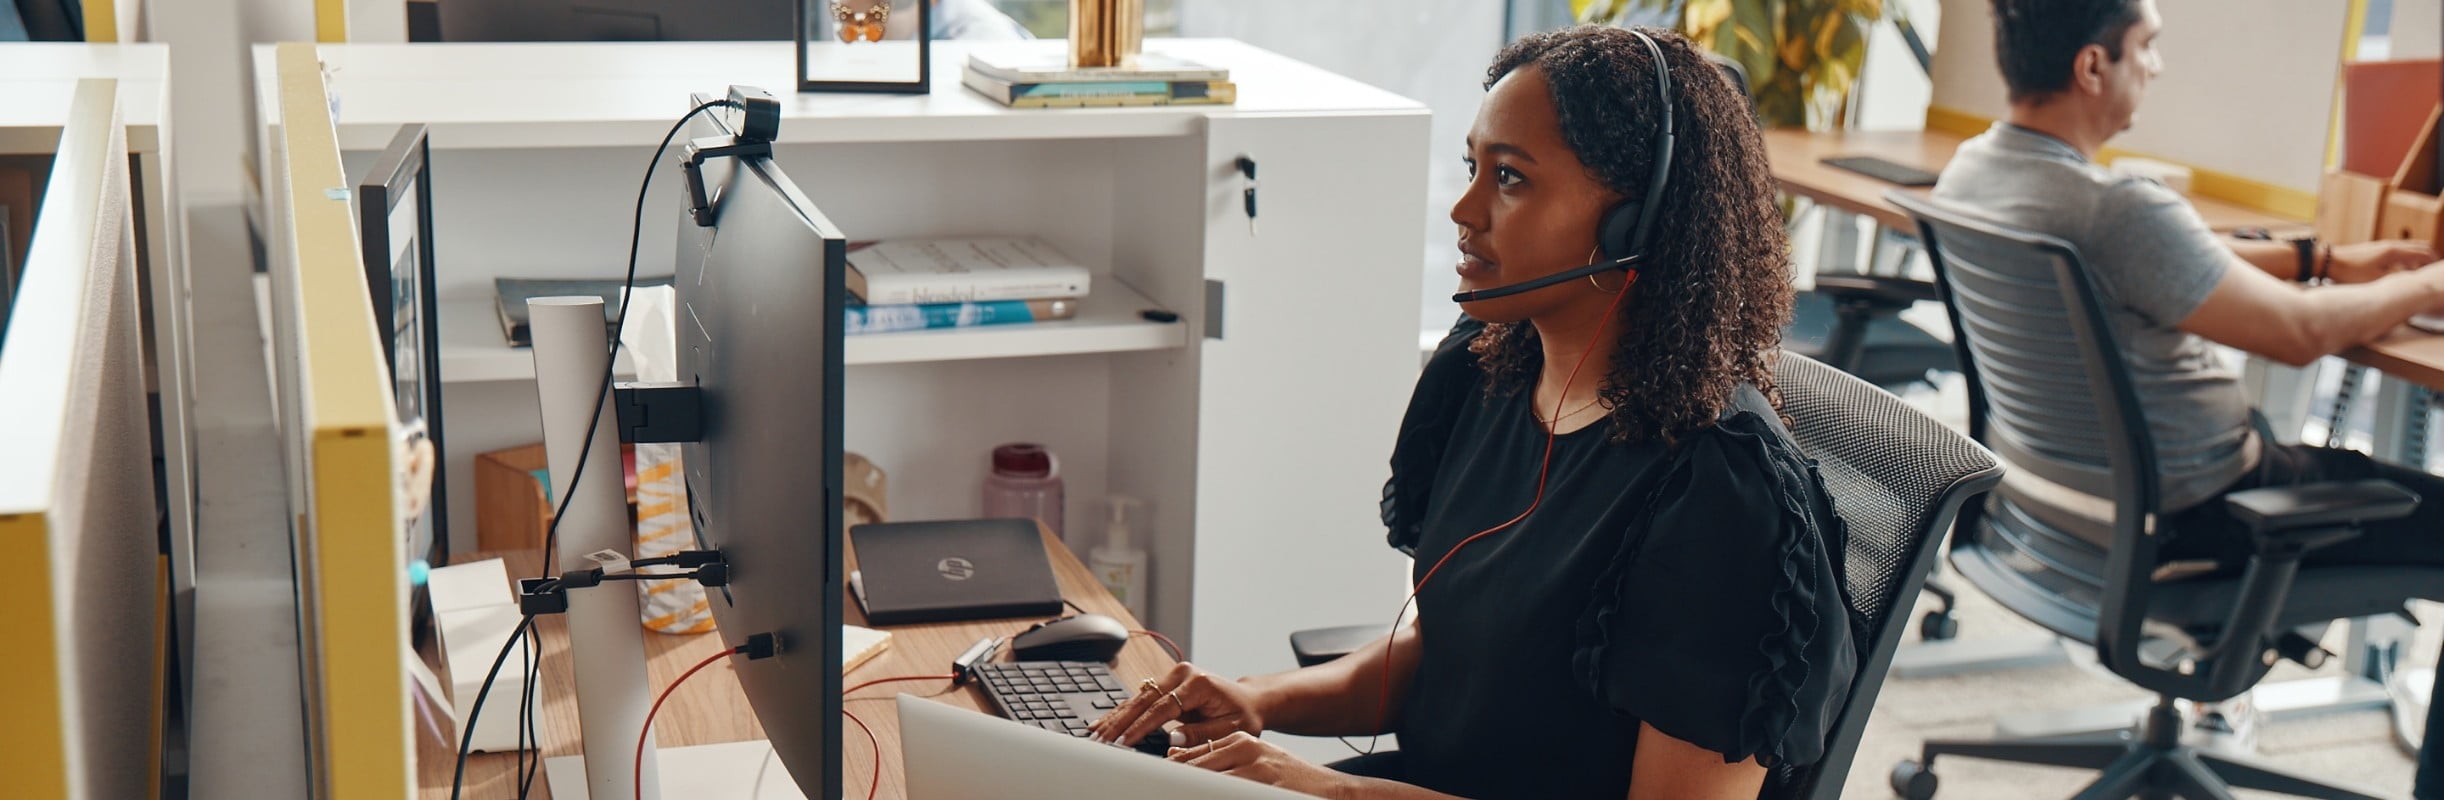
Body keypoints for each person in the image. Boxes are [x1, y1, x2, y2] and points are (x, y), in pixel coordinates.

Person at [1086, 25, 1857, 799]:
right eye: (1471, 168)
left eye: (1511, 179)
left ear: (1636, 224)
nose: (1464, 208)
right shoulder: (1489, 371)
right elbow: (1445, 655)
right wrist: (1259, 700)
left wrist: (1333, 791)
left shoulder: (1721, 495)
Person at [1935, 0, 2444, 793]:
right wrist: (2428, 281)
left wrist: (2321, 256)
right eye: (2149, 46)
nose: (2158, 66)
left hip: (2053, 509)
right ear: (2092, 66)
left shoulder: (1976, 168)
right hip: (2205, 519)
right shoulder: (2117, 209)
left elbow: (2182, 262)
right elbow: (2300, 335)